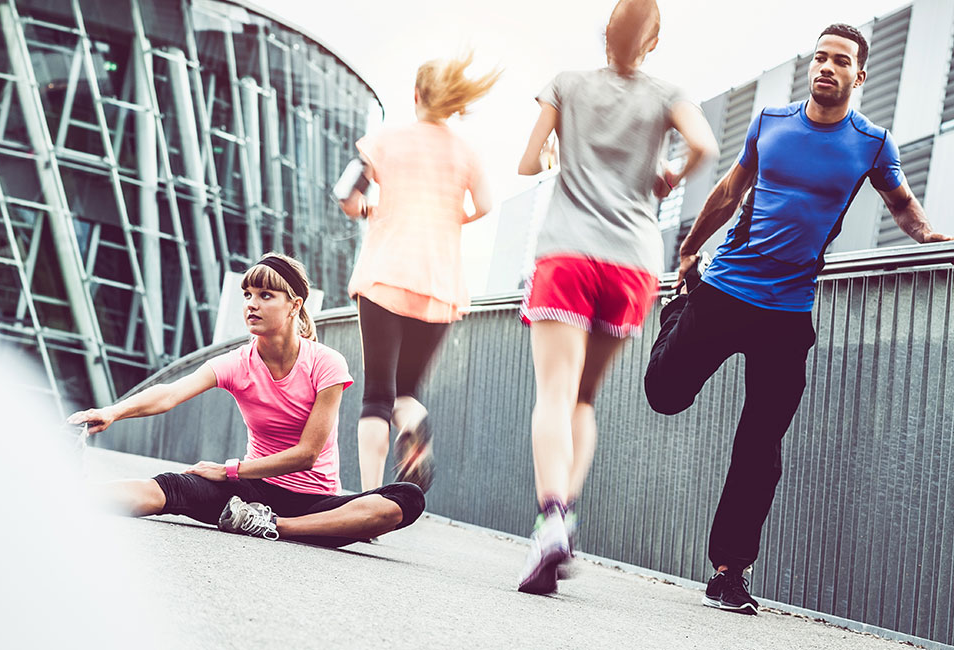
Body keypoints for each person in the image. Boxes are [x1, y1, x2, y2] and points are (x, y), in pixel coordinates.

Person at [644, 23, 951, 615]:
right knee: (665, 395)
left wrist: (928, 235)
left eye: (840, 61)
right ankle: (677, 312)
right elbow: (732, 190)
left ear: (860, 75)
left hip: (788, 312)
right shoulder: (770, 123)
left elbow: (902, 204)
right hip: (727, 287)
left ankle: (730, 570)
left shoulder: (872, 142)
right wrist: (688, 250)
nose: (826, 68)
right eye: (820, 58)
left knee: (761, 446)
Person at [513, 0, 718, 595]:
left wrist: (553, 154)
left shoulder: (566, 84)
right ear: (652, 43)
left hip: (567, 252)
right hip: (632, 261)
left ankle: (550, 516)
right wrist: (669, 177)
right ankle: (566, 516)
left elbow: (528, 162)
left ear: (605, 34)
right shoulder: (666, 92)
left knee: (553, 392)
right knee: (584, 398)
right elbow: (703, 145)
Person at [68, 253, 425, 546]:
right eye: (248, 295)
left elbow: (307, 454)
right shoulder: (237, 363)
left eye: (265, 296)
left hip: (314, 503)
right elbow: (170, 393)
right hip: (250, 492)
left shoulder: (326, 363)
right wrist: (111, 412)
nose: (252, 305)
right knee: (172, 487)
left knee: (406, 499)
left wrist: (228, 470)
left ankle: (275, 526)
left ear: (294, 305)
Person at [337, 51, 499, 494]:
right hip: (440, 286)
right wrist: (449, 220)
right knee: (405, 392)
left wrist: (365, 207)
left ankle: (368, 499)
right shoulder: (466, 152)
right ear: (452, 103)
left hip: (385, 275)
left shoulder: (387, 140)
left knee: (376, 396)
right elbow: (484, 204)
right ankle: (416, 419)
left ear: (415, 95)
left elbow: (346, 193)